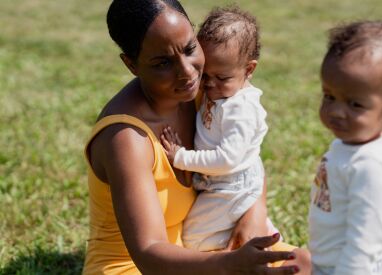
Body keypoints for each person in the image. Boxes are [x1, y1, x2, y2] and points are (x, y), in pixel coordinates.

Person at [83, 0, 309, 274]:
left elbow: (245, 154)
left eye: (190, 48)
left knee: (305, 264)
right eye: (163, 62)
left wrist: (254, 213)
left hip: (203, 249)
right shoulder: (126, 139)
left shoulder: (204, 93)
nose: (188, 72)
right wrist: (230, 264)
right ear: (131, 64)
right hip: (139, 267)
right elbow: (148, 254)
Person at [308, 20, 382, 275]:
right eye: (329, 97)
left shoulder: (372, 166)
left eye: (355, 104)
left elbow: (364, 244)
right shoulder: (357, 141)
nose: (336, 111)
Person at [160, 6, 275, 252]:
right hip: (217, 183)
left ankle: (238, 253)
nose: (210, 84)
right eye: (205, 75)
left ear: (249, 69)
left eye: (222, 78)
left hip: (231, 185)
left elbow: (227, 159)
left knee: (194, 240)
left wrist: (180, 157)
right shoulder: (219, 93)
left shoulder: (240, 110)